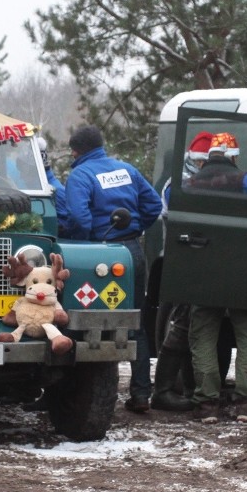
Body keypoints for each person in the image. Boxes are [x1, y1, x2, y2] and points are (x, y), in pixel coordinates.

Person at [65, 125, 163, 413]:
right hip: (132, 252)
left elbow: (80, 219)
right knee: (135, 322)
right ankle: (142, 394)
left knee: (86, 320)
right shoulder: (126, 170)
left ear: (76, 150)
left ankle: (84, 391)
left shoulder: (81, 175)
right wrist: (135, 229)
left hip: (99, 257)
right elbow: (154, 204)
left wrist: (87, 247)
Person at [186, 132, 247, 424]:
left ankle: (207, 405)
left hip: (202, 272)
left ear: (210, 156)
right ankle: (246, 404)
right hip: (243, 272)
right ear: (234, 156)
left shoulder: (189, 184)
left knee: (204, 337)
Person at [152, 131, 212, 412]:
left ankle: (187, 388)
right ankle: (163, 390)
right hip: (182, 262)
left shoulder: (195, 182)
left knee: (189, 327)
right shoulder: (177, 185)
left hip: (195, 263)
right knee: (181, 325)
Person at [37, 136, 69, 236]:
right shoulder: (41, 187)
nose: (21, 173)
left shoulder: (55, 191)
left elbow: (65, 225)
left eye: (22, 169)